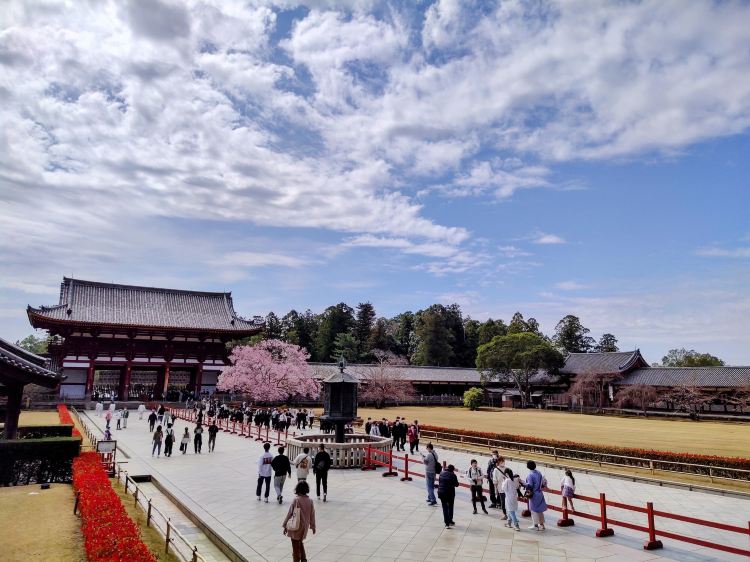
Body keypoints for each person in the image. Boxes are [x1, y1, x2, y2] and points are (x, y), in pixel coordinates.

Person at [282, 481, 316, 562]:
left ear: (297, 489)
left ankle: (296, 560)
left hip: (296, 526)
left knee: (295, 546)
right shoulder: (310, 501)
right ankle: (304, 559)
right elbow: (312, 514)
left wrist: (285, 525)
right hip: (304, 527)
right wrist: (313, 526)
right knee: (300, 542)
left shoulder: (296, 500)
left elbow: (290, 513)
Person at [525, 461, 548, 530]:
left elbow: (530, 485)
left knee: (533, 510)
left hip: (534, 494)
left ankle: (536, 525)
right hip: (540, 493)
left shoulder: (530, 475)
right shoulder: (539, 473)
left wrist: (523, 483)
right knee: (540, 510)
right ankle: (542, 524)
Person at [438, 464, 459, 528]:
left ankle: (447, 523)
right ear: (452, 470)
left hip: (441, 492)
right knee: (450, 507)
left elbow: (440, 482)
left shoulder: (441, 473)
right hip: (450, 493)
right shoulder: (453, 475)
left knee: (445, 508)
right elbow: (456, 484)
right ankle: (450, 521)